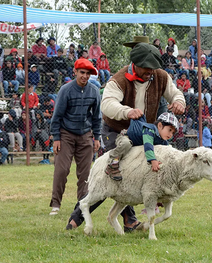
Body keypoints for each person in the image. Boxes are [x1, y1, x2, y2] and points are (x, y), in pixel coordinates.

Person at [66, 43, 185, 231]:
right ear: (135, 64)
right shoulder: (119, 79)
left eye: (153, 68)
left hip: (144, 134)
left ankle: (130, 218)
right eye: (146, 68)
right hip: (116, 131)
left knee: (137, 174)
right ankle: (78, 217)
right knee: (111, 176)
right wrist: (126, 112)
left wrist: (178, 101)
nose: (150, 72)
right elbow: (107, 104)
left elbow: (175, 93)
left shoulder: (161, 76)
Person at [49, 59, 102, 216]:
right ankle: (56, 204)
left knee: (85, 173)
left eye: (88, 73)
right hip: (66, 134)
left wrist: (97, 137)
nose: (85, 76)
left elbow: (97, 117)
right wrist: (56, 138)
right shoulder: (66, 90)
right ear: (75, 72)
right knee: (61, 169)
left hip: (85, 134)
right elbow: (56, 116)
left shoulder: (94, 91)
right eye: (82, 73)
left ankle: (81, 205)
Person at [106, 112, 178, 180]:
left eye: (173, 133)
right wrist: (153, 160)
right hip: (126, 136)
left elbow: (168, 149)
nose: (171, 134)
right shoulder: (149, 130)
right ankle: (112, 163)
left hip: (135, 143)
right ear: (160, 126)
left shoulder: (162, 139)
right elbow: (148, 145)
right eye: (169, 130)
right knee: (126, 144)